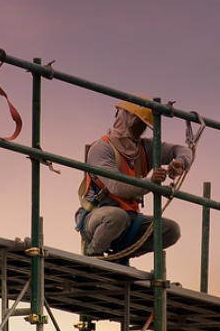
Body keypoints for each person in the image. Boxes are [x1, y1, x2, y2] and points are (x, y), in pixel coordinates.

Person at [76, 97, 193, 264]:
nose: (141, 130)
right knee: (116, 216)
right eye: (138, 123)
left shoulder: (145, 148)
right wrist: (150, 182)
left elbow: (181, 150)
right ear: (125, 118)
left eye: (144, 126)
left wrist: (181, 162)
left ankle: (122, 256)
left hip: (130, 219)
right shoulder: (102, 148)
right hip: (97, 217)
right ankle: (93, 257)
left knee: (170, 230)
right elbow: (116, 186)